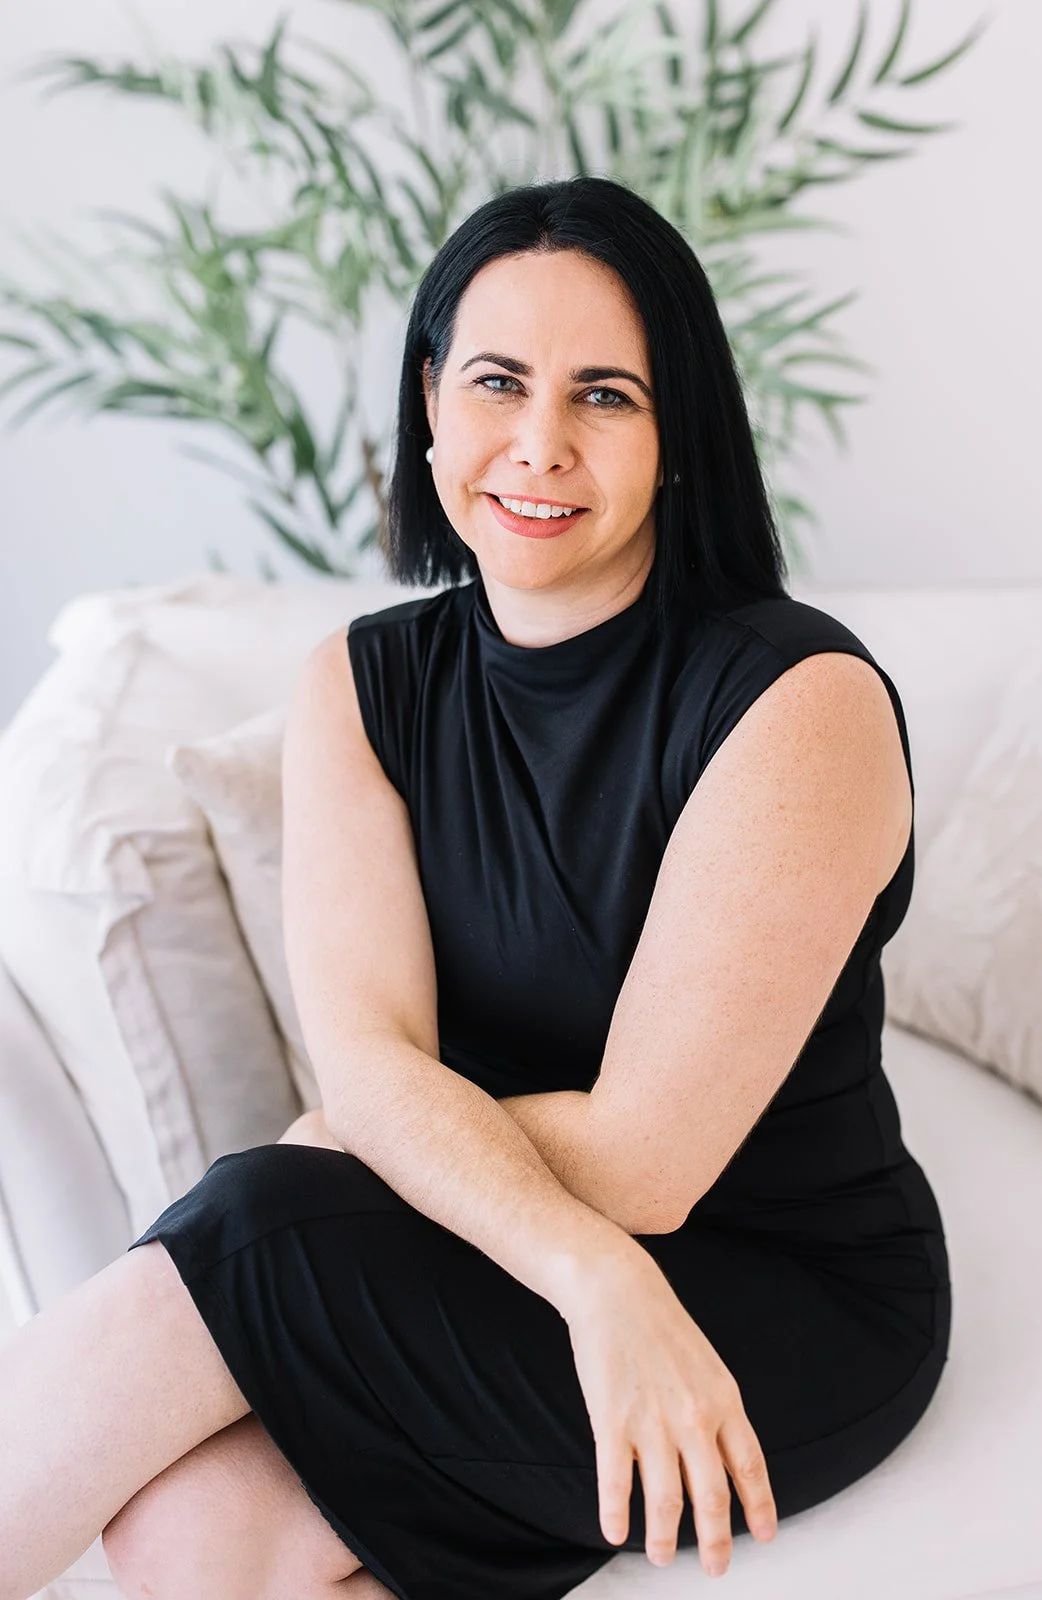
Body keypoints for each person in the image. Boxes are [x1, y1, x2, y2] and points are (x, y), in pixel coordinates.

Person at [0, 175, 951, 1600]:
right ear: (431, 401)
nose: (538, 443)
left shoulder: (794, 700)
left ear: (677, 432)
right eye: (497, 381)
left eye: (606, 395)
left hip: (770, 1286)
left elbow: (646, 1161)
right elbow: (369, 1063)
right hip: (517, 1253)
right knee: (189, 1530)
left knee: (259, 1217)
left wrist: (373, 1154)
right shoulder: (362, 684)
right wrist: (587, 1274)